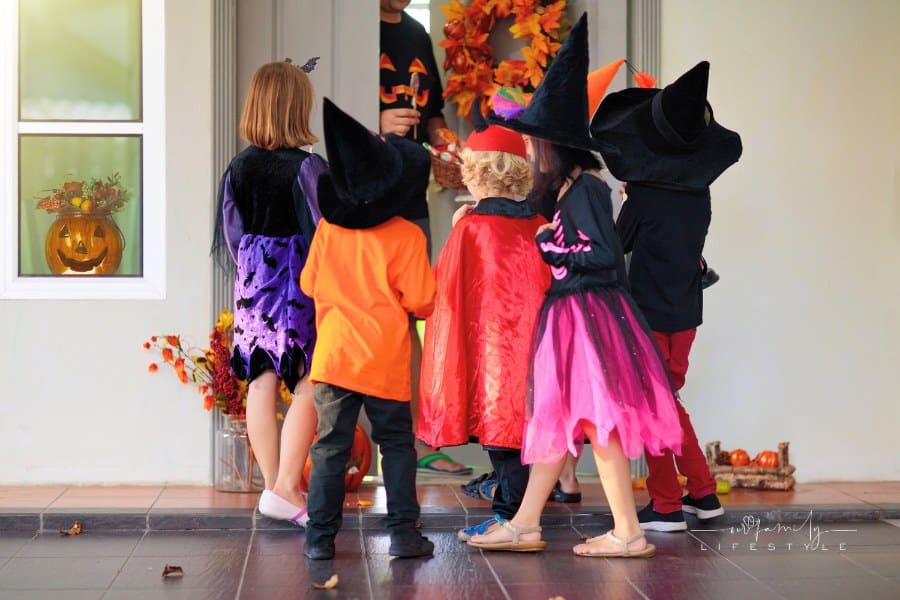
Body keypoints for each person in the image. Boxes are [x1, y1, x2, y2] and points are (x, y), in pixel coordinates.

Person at [467, 14, 683, 558]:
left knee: (598, 420)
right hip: (575, 319)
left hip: (589, 320)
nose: (531, 153)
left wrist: (549, 245)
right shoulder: (570, 188)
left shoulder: (584, 189)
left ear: (556, 147)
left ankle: (628, 533)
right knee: (560, 420)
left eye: (536, 144)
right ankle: (525, 522)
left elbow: (601, 254)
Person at [592, 61, 743, 532]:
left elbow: (619, 247)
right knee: (668, 400)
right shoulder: (700, 194)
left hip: (647, 317)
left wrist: (627, 200)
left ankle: (666, 505)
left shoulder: (643, 198)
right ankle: (702, 493)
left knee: (651, 406)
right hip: (686, 314)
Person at [300, 98, 436, 560]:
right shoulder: (407, 236)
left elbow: (307, 283)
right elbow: (423, 301)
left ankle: (319, 540)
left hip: (336, 356)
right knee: (396, 444)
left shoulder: (329, 231)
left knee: (329, 448)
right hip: (384, 360)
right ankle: (403, 535)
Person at [416, 107, 550, 541]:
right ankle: (515, 509)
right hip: (534, 354)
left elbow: (445, 295)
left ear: (476, 175)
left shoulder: (469, 229)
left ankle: (509, 517)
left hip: (488, 356)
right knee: (524, 429)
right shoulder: (539, 226)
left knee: (500, 433)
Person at [214, 59, 326, 527]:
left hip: (253, 282)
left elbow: (231, 232)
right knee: (311, 378)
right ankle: (287, 486)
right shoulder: (308, 167)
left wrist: (253, 272)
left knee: (260, 379)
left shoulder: (237, 167)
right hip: (298, 279)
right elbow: (324, 229)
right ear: (297, 108)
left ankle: (272, 489)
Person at [379, 0, 469, 476]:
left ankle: (420, 439)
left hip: (411, 189)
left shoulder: (416, 33)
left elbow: (432, 117)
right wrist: (376, 124)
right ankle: (353, 445)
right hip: (367, 191)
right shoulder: (354, 30)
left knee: (415, 311)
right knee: (368, 308)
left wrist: (447, 143)